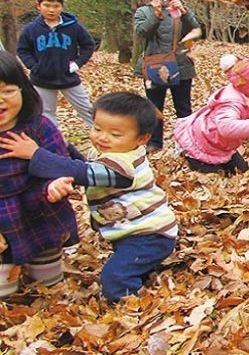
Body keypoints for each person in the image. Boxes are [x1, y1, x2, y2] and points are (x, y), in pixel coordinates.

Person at [0, 92, 177, 302]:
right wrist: (60, 147)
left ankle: (133, 305)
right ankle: (141, 272)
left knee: (115, 279)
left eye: (115, 134)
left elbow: (85, 173)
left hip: (149, 235)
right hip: (132, 230)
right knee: (128, 264)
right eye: (97, 129)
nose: (102, 137)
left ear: (142, 139)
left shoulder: (124, 166)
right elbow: (85, 166)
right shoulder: (113, 153)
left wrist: (37, 154)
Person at [0, 51, 78, 299]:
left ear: (23, 90)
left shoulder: (39, 127)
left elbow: (61, 164)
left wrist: (55, 185)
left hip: (40, 213)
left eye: (8, 91)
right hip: (3, 221)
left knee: (49, 285)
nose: (0, 101)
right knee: (5, 292)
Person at [134, 0, 201, 153]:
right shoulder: (143, 12)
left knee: (183, 106)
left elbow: (195, 30)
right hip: (154, 64)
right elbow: (142, 33)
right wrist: (155, 14)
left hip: (181, 63)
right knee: (155, 106)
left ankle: (186, 142)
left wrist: (184, 13)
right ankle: (154, 143)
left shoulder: (179, 10)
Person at [16, 0, 96, 127]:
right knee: (46, 114)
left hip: (68, 77)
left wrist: (77, 63)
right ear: (38, 6)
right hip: (42, 79)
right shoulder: (31, 29)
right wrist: (34, 66)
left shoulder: (73, 26)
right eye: (47, 5)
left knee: (87, 109)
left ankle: (102, 137)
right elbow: (23, 50)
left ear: (62, 7)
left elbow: (88, 45)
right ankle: (54, 142)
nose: (51, 10)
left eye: (56, 6)